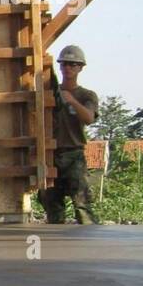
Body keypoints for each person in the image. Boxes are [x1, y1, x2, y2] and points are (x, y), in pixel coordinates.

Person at [40, 44, 99, 224]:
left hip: (74, 154)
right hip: (51, 154)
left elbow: (89, 118)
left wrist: (72, 101)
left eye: (73, 65)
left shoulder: (86, 95)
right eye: (64, 64)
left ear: (80, 68)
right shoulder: (50, 94)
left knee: (82, 204)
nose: (68, 68)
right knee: (52, 204)